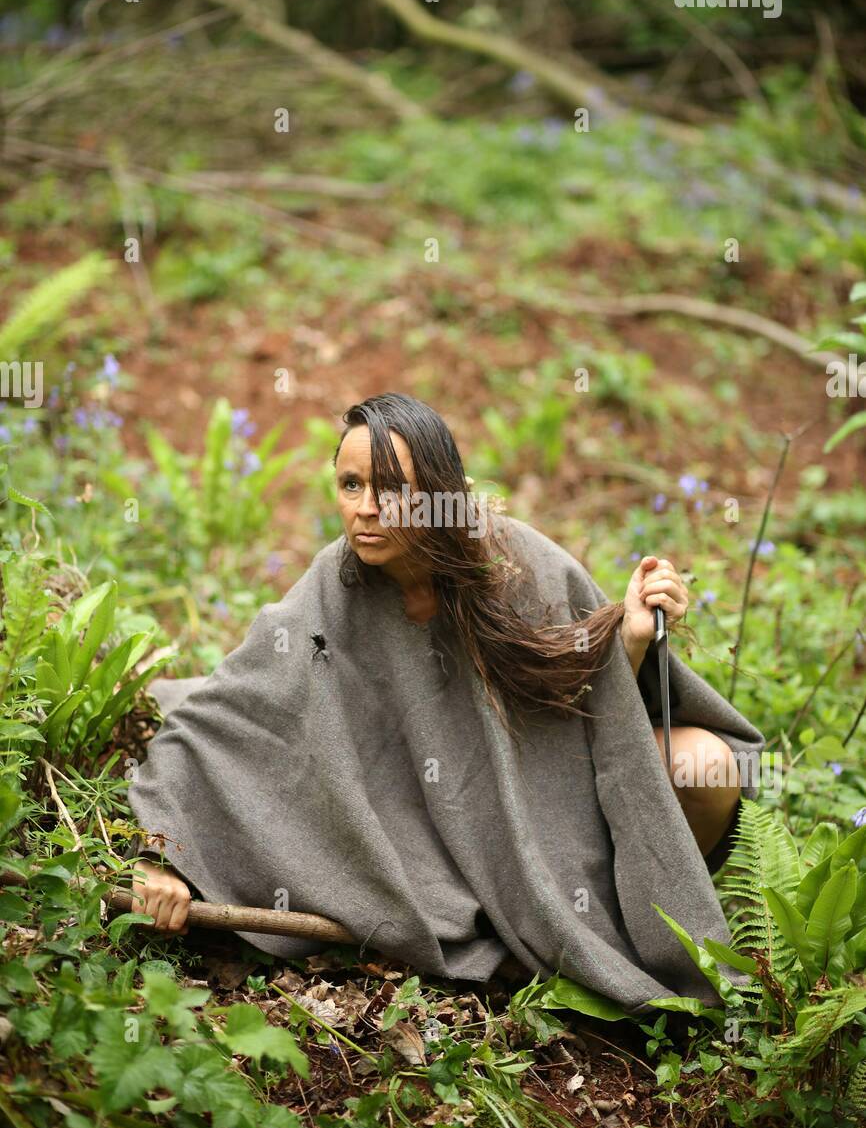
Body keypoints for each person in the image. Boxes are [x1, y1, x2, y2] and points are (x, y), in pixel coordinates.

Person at [128, 392, 763, 1011]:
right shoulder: (332, 585)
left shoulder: (515, 563)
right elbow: (221, 720)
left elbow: (579, 707)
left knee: (702, 765)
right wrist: (167, 857)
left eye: (392, 489)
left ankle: (639, 915)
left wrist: (626, 639)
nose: (367, 509)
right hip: (425, 821)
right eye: (351, 485)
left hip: (557, 802)